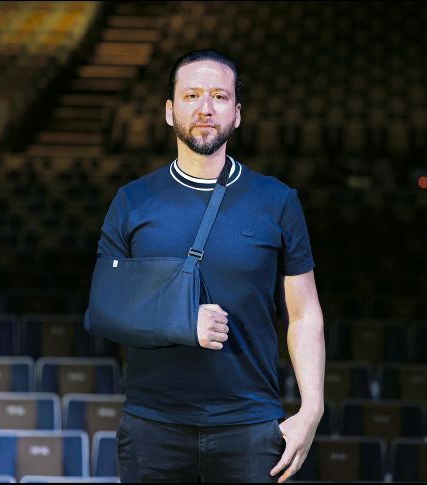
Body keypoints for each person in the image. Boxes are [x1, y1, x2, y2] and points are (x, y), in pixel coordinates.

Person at [89, 49, 324, 483]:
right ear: (168, 110)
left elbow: (304, 312)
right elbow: (104, 309)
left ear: (237, 113)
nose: (205, 108)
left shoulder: (277, 201)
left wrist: (312, 409)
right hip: (153, 427)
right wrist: (181, 320)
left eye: (219, 96)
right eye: (192, 95)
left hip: (250, 427)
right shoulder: (133, 200)